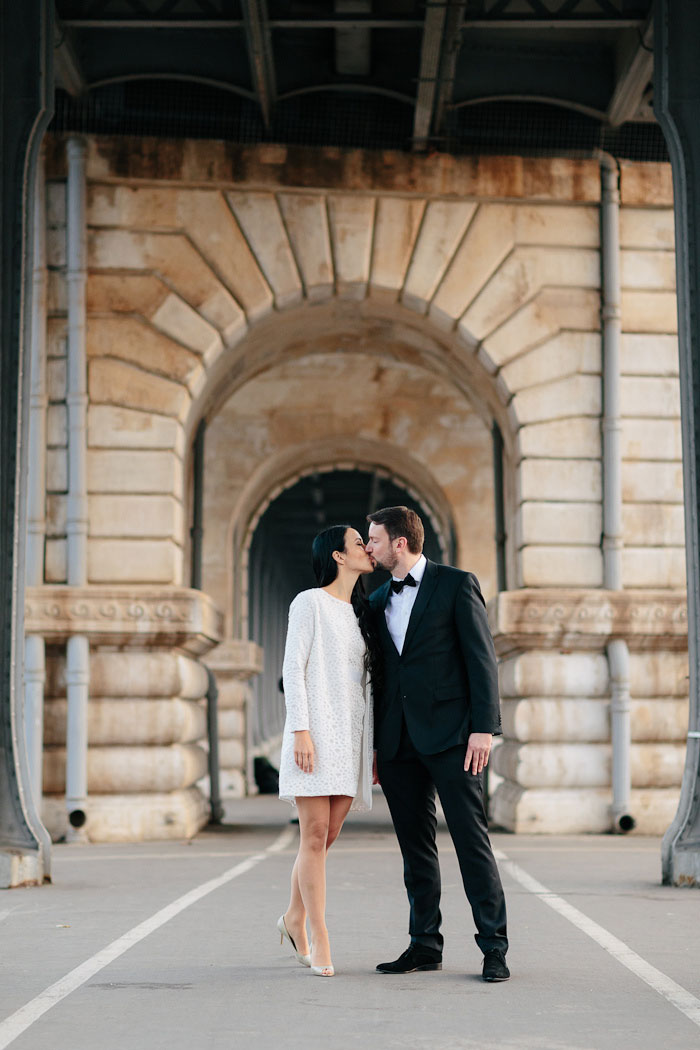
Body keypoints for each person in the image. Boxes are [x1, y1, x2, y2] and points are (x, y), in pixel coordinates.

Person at [365, 506, 509, 982]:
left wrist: (483, 728)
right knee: (415, 849)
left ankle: (494, 948)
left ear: (399, 543)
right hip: (399, 742)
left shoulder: (455, 584)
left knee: (472, 843)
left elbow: (481, 659)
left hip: (455, 739)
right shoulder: (378, 596)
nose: (370, 548)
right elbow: (380, 677)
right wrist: (373, 747)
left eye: (375, 540)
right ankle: (424, 944)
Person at [277, 524, 379, 977]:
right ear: (338, 556)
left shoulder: (362, 612)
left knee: (327, 835)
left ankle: (293, 916)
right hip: (314, 735)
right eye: (359, 542)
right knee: (314, 835)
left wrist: (370, 748)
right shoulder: (309, 602)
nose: (367, 548)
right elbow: (292, 667)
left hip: (349, 736)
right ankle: (319, 936)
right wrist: (301, 730)